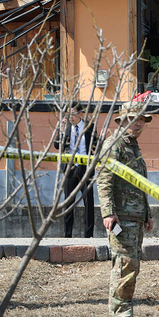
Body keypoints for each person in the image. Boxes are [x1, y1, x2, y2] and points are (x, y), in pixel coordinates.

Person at [98, 102, 155, 317]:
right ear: (122, 120)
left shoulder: (132, 146)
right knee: (126, 264)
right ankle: (123, 313)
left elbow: (140, 184)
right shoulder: (114, 145)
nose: (139, 123)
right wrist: (109, 212)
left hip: (135, 216)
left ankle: (117, 310)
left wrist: (147, 213)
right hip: (120, 216)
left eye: (142, 119)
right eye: (134, 118)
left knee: (125, 264)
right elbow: (104, 179)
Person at [54, 102, 97, 238]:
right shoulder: (66, 128)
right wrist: (61, 131)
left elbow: (97, 145)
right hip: (70, 168)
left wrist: (102, 139)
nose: (70, 117)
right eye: (68, 114)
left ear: (80, 113)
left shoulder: (90, 127)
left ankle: (88, 236)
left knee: (89, 203)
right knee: (68, 203)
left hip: (86, 167)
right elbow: (57, 146)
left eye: (73, 114)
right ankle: (67, 235)